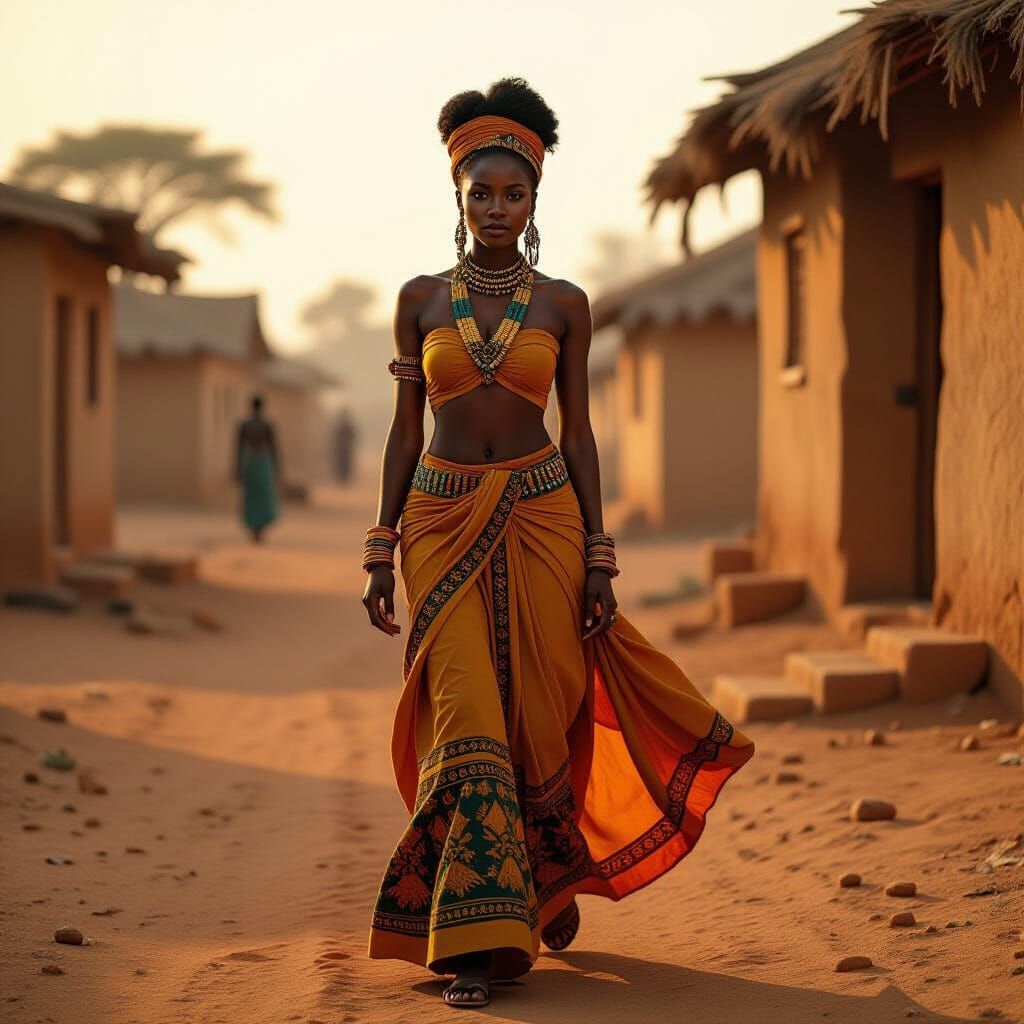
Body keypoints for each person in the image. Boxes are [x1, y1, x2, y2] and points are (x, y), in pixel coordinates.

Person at [361, 77, 755, 1009]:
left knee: (543, 711)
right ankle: (472, 946)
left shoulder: (566, 304)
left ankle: (542, 882)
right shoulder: (418, 300)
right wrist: (381, 547)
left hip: (544, 514)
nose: (497, 209)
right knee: (467, 718)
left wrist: (599, 552)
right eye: (481, 194)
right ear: (457, 200)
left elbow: (578, 433)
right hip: (439, 517)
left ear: (535, 202)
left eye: (515, 194)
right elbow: (402, 429)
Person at [235, 394, 279, 543]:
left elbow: (238, 448)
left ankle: (255, 528)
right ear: (262, 407)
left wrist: (237, 469)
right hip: (262, 463)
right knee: (261, 496)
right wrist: (277, 467)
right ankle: (259, 529)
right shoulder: (266, 425)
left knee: (252, 496)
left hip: (250, 462)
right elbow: (274, 449)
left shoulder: (245, 425)